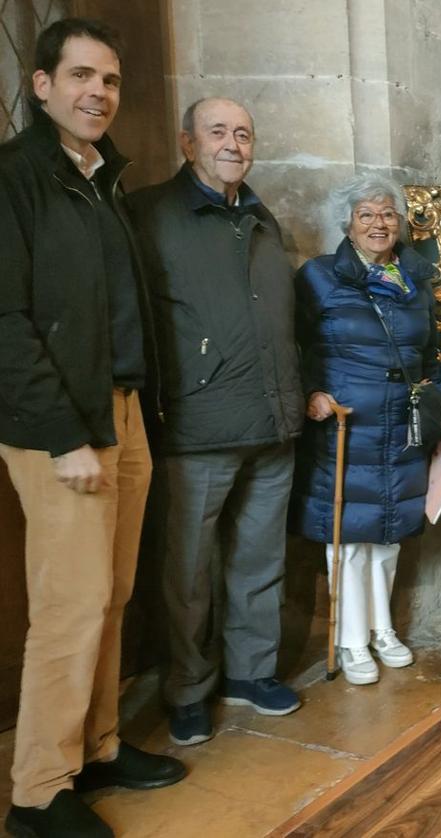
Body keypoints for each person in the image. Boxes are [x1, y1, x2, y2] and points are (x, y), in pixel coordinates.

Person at [0, 18, 184, 837]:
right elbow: (5, 322)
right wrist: (61, 434)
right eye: (79, 76)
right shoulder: (14, 178)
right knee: (71, 606)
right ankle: (38, 791)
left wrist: (131, 414)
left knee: (112, 596)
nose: (97, 93)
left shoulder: (102, 178)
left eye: (108, 80)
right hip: (60, 426)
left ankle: (99, 747)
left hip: (122, 410)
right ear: (42, 85)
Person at [127, 97, 305, 748]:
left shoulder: (261, 218)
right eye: (218, 132)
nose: (233, 143)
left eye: (244, 133)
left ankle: (251, 674)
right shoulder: (149, 215)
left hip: (271, 419)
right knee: (188, 572)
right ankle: (189, 688)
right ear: (187, 143)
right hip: (197, 426)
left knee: (260, 561)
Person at [290, 174, 441, 685]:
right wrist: (311, 392)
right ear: (348, 224)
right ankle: (351, 640)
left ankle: (383, 630)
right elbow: (292, 344)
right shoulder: (317, 277)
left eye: (388, 214)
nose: (379, 224)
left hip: (401, 421)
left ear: (400, 222)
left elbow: (432, 350)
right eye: (367, 215)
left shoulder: (416, 279)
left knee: (389, 533)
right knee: (347, 538)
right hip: (345, 421)